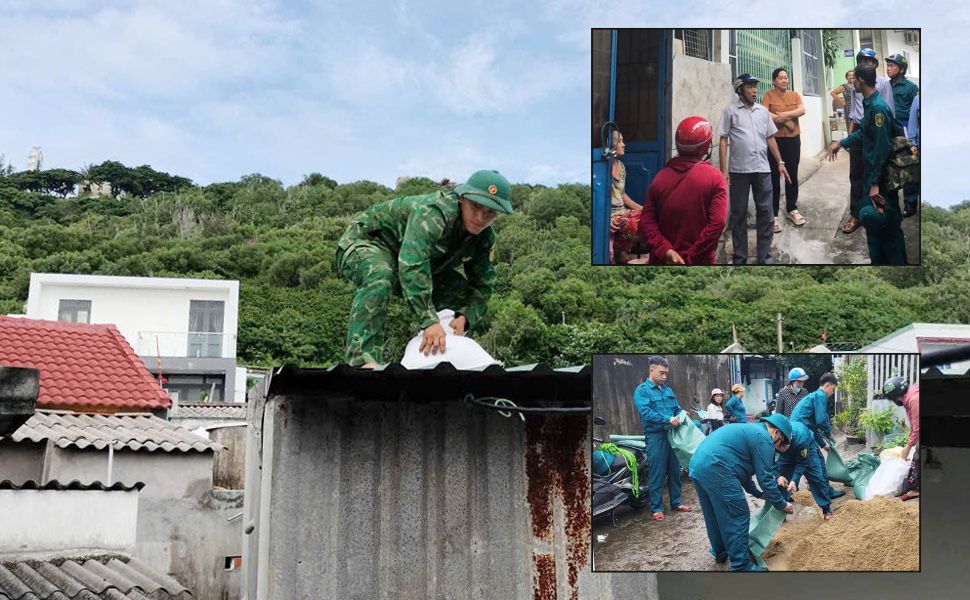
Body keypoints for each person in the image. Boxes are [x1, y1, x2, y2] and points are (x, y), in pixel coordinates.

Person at [335, 170, 512, 367]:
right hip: (366, 243)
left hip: (407, 261)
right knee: (380, 274)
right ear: (462, 198)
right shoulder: (434, 213)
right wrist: (428, 321)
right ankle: (362, 360)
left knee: (457, 288)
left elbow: (483, 284)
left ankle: (437, 349)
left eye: (490, 213)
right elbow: (412, 265)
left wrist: (465, 317)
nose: (480, 217)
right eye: (476, 206)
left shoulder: (484, 238)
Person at [689, 414, 795, 571]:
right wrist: (782, 504)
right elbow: (765, 479)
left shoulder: (752, 431)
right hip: (717, 466)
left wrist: (758, 494)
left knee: (714, 514)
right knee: (737, 514)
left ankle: (721, 552)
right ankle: (741, 565)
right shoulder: (764, 439)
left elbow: (742, 471)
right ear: (777, 432)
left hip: (698, 465)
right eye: (782, 442)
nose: (779, 447)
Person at [828, 63, 907, 265]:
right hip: (871, 175)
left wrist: (874, 184)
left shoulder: (878, 108)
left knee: (887, 225)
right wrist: (841, 143)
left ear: (861, 81)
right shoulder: (869, 103)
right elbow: (863, 132)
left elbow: (882, 149)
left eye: (854, 79)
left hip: (881, 180)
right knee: (873, 225)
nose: (852, 82)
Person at [716, 74, 791, 265]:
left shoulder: (763, 112)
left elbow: (770, 137)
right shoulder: (730, 112)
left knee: (766, 213)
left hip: (762, 169)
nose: (754, 90)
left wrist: (780, 162)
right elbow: (723, 140)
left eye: (755, 86)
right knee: (739, 214)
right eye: (750, 87)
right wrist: (723, 170)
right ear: (740, 90)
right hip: (739, 171)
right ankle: (740, 257)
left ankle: (764, 256)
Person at [638, 116, 727, 265]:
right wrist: (689, 257)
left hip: (662, 261)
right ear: (706, 147)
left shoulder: (660, 177)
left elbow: (646, 221)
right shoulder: (715, 178)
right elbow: (718, 224)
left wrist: (666, 251)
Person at [631, 356, 693, 521]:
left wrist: (681, 414)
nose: (665, 376)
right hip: (656, 436)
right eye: (661, 373)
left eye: (666, 373)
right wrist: (667, 418)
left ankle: (676, 503)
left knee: (675, 470)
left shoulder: (668, 390)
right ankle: (656, 508)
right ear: (651, 370)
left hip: (673, 435)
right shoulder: (642, 391)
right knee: (657, 472)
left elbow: (676, 408)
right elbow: (646, 412)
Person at [842, 49, 895, 235]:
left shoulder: (882, 84)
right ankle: (855, 214)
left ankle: (877, 211)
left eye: (869, 60)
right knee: (856, 174)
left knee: (876, 172)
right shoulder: (856, 84)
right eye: (862, 60)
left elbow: (888, 111)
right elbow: (853, 112)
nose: (866, 63)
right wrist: (848, 138)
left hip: (876, 130)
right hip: (860, 129)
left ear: (875, 63)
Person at [761, 68, 806, 232]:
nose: (784, 80)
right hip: (775, 140)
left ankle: (791, 208)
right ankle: (773, 215)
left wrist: (784, 115)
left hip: (793, 140)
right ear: (774, 81)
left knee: (792, 174)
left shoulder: (794, 95)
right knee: (774, 175)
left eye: (786, 77)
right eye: (780, 78)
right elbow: (764, 113)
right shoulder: (768, 95)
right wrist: (787, 121)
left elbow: (802, 110)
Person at [790, 372, 845, 499]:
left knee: (811, 462)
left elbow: (812, 425)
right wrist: (829, 433)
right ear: (827, 385)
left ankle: (823, 490)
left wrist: (822, 443)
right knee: (817, 464)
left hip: (799, 433)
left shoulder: (813, 396)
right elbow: (820, 420)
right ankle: (826, 494)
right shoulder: (820, 396)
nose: (832, 393)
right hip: (801, 434)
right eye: (833, 389)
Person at [769, 415, 835, 520]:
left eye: (785, 446)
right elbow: (770, 462)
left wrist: (794, 480)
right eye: (779, 447)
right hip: (785, 457)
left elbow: (802, 462)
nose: (782, 448)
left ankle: (826, 509)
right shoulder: (769, 440)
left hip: (807, 448)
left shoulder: (801, 438)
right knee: (781, 481)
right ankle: (781, 512)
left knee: (817, 478)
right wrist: (778, 476)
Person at [885, 53, 920, 218]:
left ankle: (910, 202)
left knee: (908, 165)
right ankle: (889, 201)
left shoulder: (910, 87)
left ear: (901, 69)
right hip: (889, 129)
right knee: (890, 166)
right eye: (888, 65)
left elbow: (917, 111)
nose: (888, 68)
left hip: (906, 129)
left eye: (892, 66)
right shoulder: (885, 86)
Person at [608, 130, 644, 264]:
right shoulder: (602, 167)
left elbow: (622, 194)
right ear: (610, 145)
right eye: (619, 141)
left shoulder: (621, 166)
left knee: (650, 216)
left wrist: (642, 208)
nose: (624, 145)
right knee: (629, 224)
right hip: (613, 217)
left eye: (623, 141)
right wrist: (607, 219)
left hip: (623, 212)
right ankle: (621, 253)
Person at [883, 376, 919, 500]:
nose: (895, 401)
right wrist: (908, 444)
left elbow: (918, 428)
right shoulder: (909, 396)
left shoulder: (914, 399)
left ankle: (915, 489)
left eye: (893, 398)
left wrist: (908, 447)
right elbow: (914, 425)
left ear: (897, 396)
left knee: (919, 452)